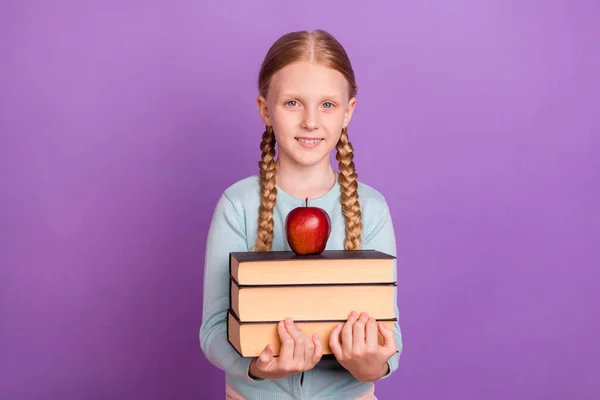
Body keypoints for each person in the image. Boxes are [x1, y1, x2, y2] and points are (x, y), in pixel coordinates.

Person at [199, 29, 403, 400]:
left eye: (327, 104)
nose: (310, 121)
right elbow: (213, 329)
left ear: (348, 112)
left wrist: (367, 363)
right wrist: (259, 367)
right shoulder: (237, 205)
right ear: (265, 109)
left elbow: (391, 338)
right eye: (293, 103)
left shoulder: (372, 208)